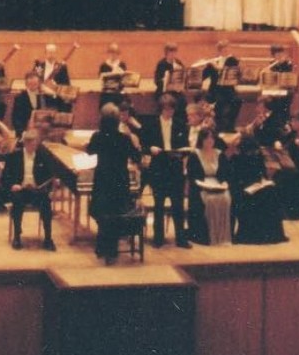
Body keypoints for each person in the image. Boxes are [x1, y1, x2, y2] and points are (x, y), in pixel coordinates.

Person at [86, 103, 140, 265]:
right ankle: (112, 249)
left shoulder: (97, 136)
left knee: (103, 213)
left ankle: (102, 248)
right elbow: (136, 157)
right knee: (115, 213)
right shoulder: (124, 138)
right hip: (119, 181)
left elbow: (89, 151)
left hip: (103, 180)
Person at [140, 95, 191, 248]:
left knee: (178, 205)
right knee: (159, 204)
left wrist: (184, 150)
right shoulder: (151, 124)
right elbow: (143, 145)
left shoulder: (181, 125)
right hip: (159, 167)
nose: (170, 112)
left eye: (172, 109)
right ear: (162, 109)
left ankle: (181, 239)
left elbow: (185, 145)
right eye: (167, 109)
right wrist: (150, 149)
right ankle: (158, 238)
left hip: (175, 167)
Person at [0, 129, 58, 251]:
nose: (33, 146)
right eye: (30, 143)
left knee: (46, 205)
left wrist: (49, 188)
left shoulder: (44, 156)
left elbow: (51, 174)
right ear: (25, 143)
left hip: (38, 190)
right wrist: (12, 185)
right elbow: (5, 177)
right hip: (20, 190)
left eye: (35, 143)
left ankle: (48, 238)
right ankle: (17, 236)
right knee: (17, 203)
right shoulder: (14, 156)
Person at [228, 136, 286, 244]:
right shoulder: (235, 159)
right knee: (256, 198)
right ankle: (253, 235)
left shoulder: (257, 157)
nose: (253, 153)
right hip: (242, 188)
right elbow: (234, 178)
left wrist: (265, 182)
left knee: (271, 192)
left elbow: (262, 174)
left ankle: (271, 234)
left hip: (256, 185)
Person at [185, 128, 232, 246]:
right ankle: (210, 236)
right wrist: (203, 185)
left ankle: (222, 236)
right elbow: (192, 176)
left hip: (217, 182)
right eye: (207, 138)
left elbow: (225, 173)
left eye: (212, 138)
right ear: (201, 139)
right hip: (201, 185)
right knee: (210, 200)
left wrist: (224, 182)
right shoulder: (195, 154)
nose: (210, 141)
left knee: (226, 198)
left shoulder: (219, 153)